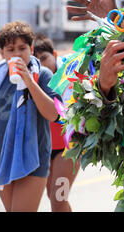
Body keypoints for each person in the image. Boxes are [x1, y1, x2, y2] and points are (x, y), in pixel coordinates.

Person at [0, 21, 59, 212]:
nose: (17, 54)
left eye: (22, 48)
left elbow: (54, 114)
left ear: (31, 49)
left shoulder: (42, 74)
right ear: (2, 53)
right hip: (2, 160)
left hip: (33, 158)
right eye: (10, 49)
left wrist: (28, 79)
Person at [33, 34, 80, 212]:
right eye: (37, 61)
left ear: (54, 53)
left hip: (69, 148)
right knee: (53, 198)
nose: (42, 65)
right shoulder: (33, 82)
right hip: (45, 148)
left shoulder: (69, 76)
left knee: (58, 200)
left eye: (45, 58)